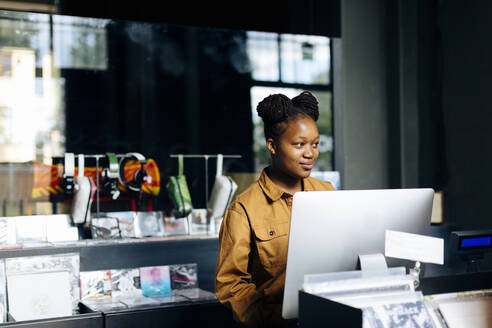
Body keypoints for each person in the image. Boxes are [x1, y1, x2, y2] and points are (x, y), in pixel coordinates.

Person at [215, 91, 335, 328]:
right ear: (272, 146)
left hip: (329, 317)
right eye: (299, 144)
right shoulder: (243, 210)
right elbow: (230, 285)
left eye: (315, 144)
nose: (310, 153)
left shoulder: (327, 193)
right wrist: (268, 321)